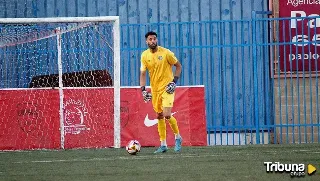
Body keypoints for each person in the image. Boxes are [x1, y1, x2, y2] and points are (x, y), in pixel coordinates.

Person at [140, 31, 183, 153]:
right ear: (146, 41)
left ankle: (178, 137)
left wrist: (174, 82)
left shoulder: (166, 53)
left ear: (156, 40)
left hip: (167, 88)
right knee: (159, 115)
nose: (152, 41)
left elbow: (178, 66)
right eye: (150, 39)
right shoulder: (144, 56)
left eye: (154, 39)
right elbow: (143, 74)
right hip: (155, 90)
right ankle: (163, 144)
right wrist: (143, 90)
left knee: (167, 114)